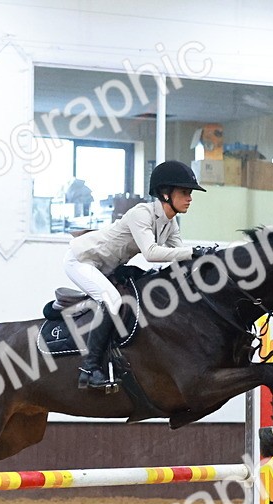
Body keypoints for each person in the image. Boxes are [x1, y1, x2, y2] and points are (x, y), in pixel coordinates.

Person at [63, 160, 205, 390]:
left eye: (190, 194)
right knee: (114, 301)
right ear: (165, 194)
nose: (190, 198)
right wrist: (192, 252)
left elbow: (180, 255)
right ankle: (89, 368)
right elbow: (151, 253)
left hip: (106, 267)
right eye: (185, 193)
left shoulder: (170, 223)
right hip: (81, 261)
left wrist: (205, 259)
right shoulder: (141, 213)